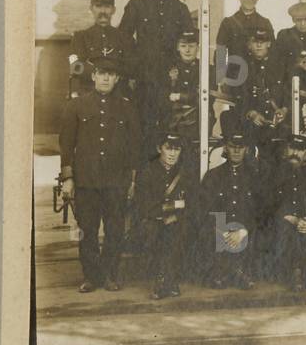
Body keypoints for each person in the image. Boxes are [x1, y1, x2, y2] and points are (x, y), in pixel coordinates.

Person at [58, 52, 140, 292]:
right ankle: (91, 276)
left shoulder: (127, 107)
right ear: (93, 76)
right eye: (101, 74)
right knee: (87, 230)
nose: (105, 79)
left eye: (111, 75)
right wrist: (68, 178)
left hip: (117, 181)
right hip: (86, 181)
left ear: (117, 79)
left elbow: (135, 146)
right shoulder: (76, 105)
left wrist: (133, 180)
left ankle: (110, 275)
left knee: (115, 230)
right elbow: (66, 144)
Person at [118, 0, 194, 129]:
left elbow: (189, 42)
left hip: (171, 76)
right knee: (143, 122)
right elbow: (124, 39)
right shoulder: (138, 5)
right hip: (143, 76)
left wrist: (180, 68)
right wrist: (133, 69)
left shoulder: (180, 9)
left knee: (170, 123)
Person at [198, 114, 260, 289]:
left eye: (240, 147)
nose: (236, 151)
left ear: (246, 149)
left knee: (253, 233)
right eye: (233, 147)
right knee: (210, 231)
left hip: (245, 226)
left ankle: (239, 271)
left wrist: (244, 230)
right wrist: (223, 231)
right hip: (220, 226)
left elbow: (261, 210)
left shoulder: (255, 176)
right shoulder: (213, 175)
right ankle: (227, 272)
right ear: (226, 147)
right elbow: (205, 207)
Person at [137, 131, 193, 299]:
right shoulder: (147, 171)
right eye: (168, 148)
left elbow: (193, 202)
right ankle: (167, 280)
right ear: (159, 148)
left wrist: (176, 216)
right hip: (152, 219)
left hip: (177, 219)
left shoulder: (185, 172)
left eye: (177, 149)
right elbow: (143, 204)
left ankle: (165, 280)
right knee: (155, 233)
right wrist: (163, 215)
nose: (172, 153)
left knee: (178, 233)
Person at [272, 134, 306, 291]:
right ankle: (294, 272)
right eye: (293, 148)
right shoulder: (274, 173)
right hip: (282, 220)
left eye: (301, 149)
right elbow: (268, 204)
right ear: (286, 150)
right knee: (286, 229)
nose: (296, 153)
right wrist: (291, 218)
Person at [235, 26, 289, 171]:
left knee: (282, 159)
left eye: (263, 41)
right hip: (252, 122)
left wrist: (283, 110)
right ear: (249, 44)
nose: (259, 45)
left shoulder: (281, 64)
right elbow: (238, 96)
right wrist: (251, 113)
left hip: (278, 121)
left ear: (269, 44)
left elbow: (289, 90)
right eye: (254, 42)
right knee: (249, 160)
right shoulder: (240, 65)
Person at [68, 0, 133, 98]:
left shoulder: (125, 38)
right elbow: (76, 68)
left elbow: (132, 67)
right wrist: (103, 73)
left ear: (113, 10)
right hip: (88, 94)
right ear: (91, 9)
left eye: (107, 7)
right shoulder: (80, 37)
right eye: (98, 6)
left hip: (119, 96)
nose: (103, 11)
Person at [154, 29, 201, 171]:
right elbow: (162, 97)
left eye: (192, 46)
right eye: (183, 45)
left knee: (192, 162)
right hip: (171, 122)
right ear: (177, 47)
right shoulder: (167, 69)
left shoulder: (206, 69)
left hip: (196, 122)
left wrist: (180, 97)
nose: (187, 50)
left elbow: (205, 98)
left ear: (198, 47)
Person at [215, 0, 273, 87]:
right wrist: (221, 77)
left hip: (259, 72)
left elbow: (272, 51)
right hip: (235, 72)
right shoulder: (228, 23)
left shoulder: (265, 23)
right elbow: (220, 51)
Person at [275, 1, 306, 76]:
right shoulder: (284, 35)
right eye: (299, 20)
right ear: (293, 20)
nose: (302, 23)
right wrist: (295, 64)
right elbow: (278, 61)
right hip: (290, 79)